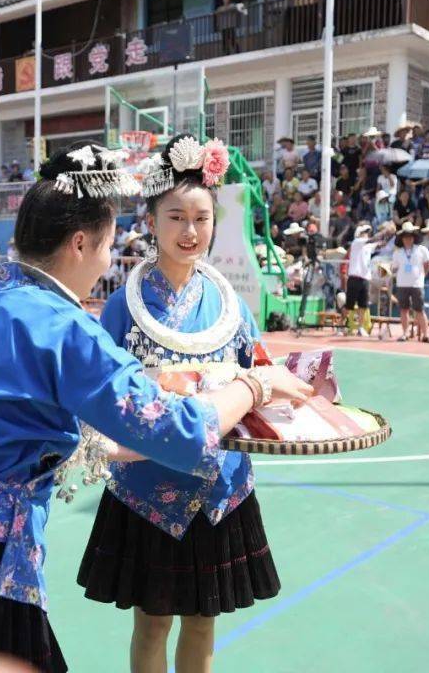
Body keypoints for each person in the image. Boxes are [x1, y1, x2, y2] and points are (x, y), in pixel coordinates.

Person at [0, 142, 314, 673]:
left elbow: (57, 428)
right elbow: (179, 430)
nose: (109, 259)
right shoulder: (66, 328)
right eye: (109, 245)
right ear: (79, 242)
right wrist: (254, 387)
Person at [77, 135, 282, 673]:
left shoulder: (231, 302)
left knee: (203, 620)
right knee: (151, 622)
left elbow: (259, 367)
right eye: (176, 217)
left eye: (202, 218)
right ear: (151, 220)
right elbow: (102, 391)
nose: (190, 231)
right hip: (147, 487)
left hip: (220, 487)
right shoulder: (124, 305)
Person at [391, 222, 429, 342]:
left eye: (410, 236)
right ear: (402, 239)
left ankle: (426, 335)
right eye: (405, 237)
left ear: (413, 238)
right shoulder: (397, 252)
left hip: (417, 284)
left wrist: (422, 276)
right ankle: (405, 333)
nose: (408, 239)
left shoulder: (421, 249)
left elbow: (427, 264)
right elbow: (394, 267)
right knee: (404, 310)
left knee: (419, 310)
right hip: (402, 284)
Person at [345, 222, 386, 335]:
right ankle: (341, 325)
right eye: (365, 232)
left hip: (364, 279)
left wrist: (387, 235)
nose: (367, 234)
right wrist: (384, 231)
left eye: (368, 232)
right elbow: (374, 240)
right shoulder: (357, 242)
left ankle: (360, 327)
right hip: (354, 277)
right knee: (349, 305)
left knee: (363, 305)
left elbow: (380, 244)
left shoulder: (368, 246)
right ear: (359, 234)